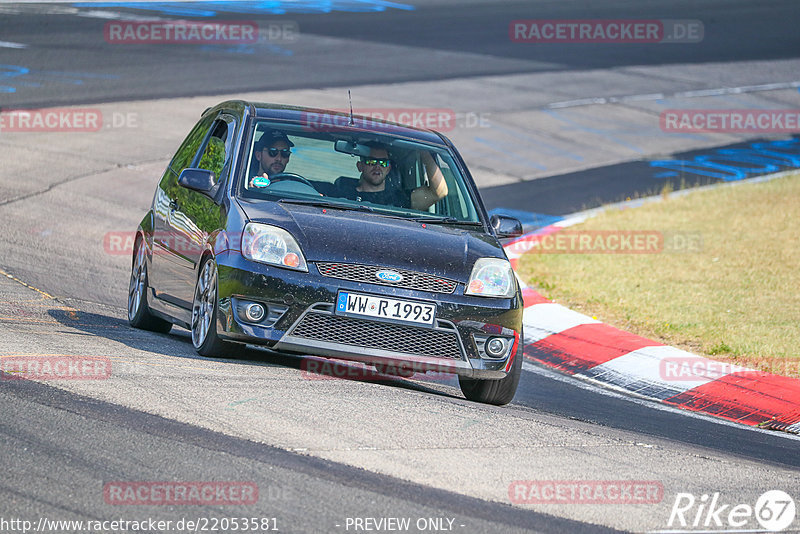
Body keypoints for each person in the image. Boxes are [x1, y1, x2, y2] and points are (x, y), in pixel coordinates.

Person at [336, 143, 448, 211]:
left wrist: (424, 152)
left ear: (388, 169)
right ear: (360, 166)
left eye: (383, 163)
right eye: (372, 162)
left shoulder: (399, 199)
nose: (378, 167)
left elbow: (439, 192)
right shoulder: (340, 192)